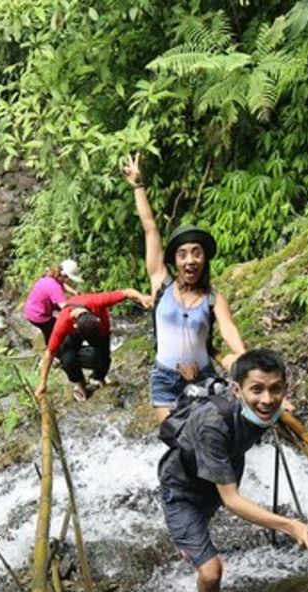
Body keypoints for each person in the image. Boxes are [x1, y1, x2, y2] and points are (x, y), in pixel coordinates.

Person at [157, 349, 308, 592]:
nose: (267, 399)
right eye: (257, 389)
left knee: (204, 523)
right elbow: (231, 501)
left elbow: (270, 402)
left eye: (276, 389)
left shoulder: (265, 407)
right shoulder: (213, 424)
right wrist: (290, 526)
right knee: (211, 572)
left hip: (220, 474)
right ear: (237, 389)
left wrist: (283, 410)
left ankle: (192, 542)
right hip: (183, 491)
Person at [122, 153, 248, 422]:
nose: (190, 260)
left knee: (205, 437)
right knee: (174, 437)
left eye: (196, 253)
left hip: (203, 377)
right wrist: (138, 186)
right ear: (175, 261)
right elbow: (150, 228)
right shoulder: (161, 283)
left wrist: (250, 371)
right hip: (165, 379)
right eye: (183, 254)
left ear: (205, 259)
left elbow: (230, 332)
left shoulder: (214, 299)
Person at [33, 288, 152, 403]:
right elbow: (49, 353)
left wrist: (141, 297)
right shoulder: (63, 323)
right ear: (75, 325)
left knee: (104, 359)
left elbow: (126, 293)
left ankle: (98, 377)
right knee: (67, 359)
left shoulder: (98, 301)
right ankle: (81, 384)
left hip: (101, 331)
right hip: (74, 334)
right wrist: (42, 383)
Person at [23, 260, 83, 344]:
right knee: (53, 331)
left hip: (31, 308)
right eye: (69, 279)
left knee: (49, 330)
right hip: (38, 315)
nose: (70, 281)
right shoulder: (55, 288)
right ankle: (53, 348)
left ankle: (50, 345)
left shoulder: (52, 276)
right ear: (64, 276)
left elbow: (63, 285)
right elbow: (65, 307)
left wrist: (75, 293)